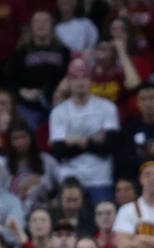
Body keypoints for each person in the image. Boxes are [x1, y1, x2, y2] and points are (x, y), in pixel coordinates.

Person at [43, 59, 120, 192]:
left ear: (91, 80)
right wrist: (93, 141)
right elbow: (59, 150)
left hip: (101, 177)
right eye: (75, 77)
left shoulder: (107, 107)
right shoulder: (58, 112)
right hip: (71, 177)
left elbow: (110, 145)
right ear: (68, 81)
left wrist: (76, 141)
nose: (80, 81)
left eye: (84, 76)